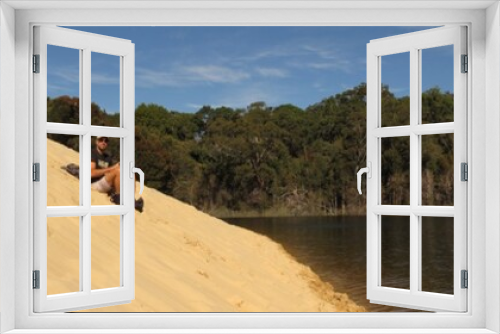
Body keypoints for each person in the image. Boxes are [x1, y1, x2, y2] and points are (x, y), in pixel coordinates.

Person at [91, 136, 144, 212]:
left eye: (106, 141)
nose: (103, 142)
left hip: (106, 184)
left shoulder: (107, 157)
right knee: (117, 171)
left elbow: (110, 173)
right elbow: (91, 173)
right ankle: (118, 198)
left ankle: (131, 199)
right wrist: (112, 168)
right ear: (96, 142)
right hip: (94, 184)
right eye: (101, 140)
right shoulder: (92, 153)